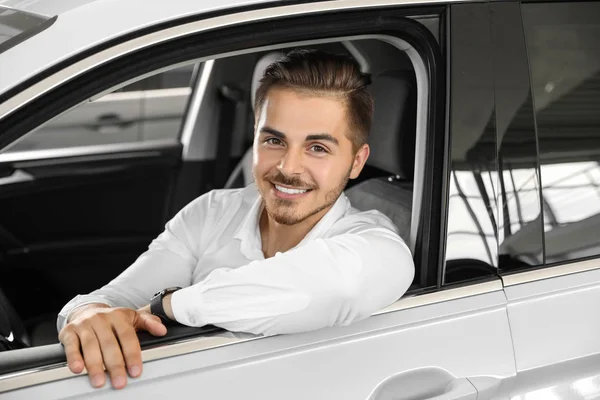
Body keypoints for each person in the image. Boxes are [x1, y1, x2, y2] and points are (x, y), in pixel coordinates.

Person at [57, 49, 415, 390]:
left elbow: (334, 289)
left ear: (356, 161)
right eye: (274, 140)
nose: (288, 168)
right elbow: (113, 298)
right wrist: (87, 313)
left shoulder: (377, 246)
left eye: (317, 148)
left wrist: (167, 306)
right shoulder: (211, 211)